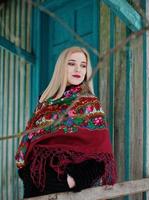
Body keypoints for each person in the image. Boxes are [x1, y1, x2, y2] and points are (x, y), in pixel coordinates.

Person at [15, 46, 117, 198]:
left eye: (83, 65)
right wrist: (28, 175)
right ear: (62, 67)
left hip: (68, 192)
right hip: (35, 189)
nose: (78, 69)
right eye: (71, 63)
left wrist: (70, 181)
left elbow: (99, 157)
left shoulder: (89, 104)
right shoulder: (45, 103)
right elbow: (28, 145)